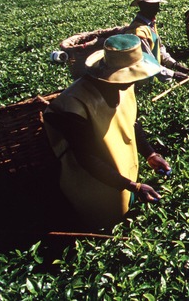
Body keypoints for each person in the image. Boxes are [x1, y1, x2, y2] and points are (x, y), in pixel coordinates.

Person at [43, 34, 172, 229]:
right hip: (92, 184)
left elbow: (131, 122)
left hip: (121, 173)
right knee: (109, 223)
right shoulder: (74, 104)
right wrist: (134, 187)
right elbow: (86, 158)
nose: (132, 81)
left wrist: (150, 154)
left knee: (128, 211)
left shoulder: (124, 85)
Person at [127, 0, 189, 82]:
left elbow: (159, 48)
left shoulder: (150, 23)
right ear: (142, 6)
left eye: (157, 5)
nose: (157, 9)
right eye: (152, 6)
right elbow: (147, 62)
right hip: (144, 79)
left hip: (156, 72)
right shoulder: (138, 32)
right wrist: (173, 74)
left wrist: (175, 64)